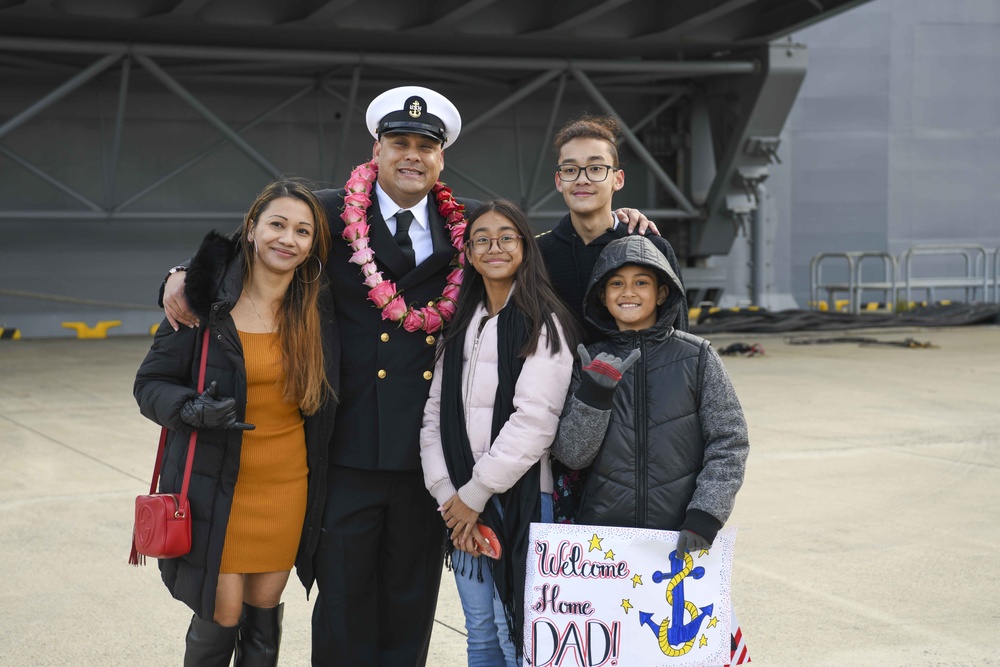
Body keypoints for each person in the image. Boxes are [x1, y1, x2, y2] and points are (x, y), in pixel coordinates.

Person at [158, 86, 662, 667]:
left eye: (426, 145)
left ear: (441, 157)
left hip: (430, 460)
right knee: (343, 604)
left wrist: (614, 224)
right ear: (377, 149)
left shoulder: (471, 225)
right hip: (346, 448)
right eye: (399, 142)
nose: (412, 155)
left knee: (409, 603)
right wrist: (177, 276)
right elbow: (258, 244)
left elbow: (541, 263)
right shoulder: (324, 213)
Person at [134, 178, 339, 666]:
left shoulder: (318, 306)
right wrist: (191, 410)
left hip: (287, 487)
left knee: (264, 613)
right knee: (219, 614)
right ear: (250, 229)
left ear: (313, 246)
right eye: (277, 224)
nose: (287, 239)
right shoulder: (203, 300)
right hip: (216, 486)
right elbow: (150, 383)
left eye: (303, 231)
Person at [419, 199, 578, 666]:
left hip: (522, 500)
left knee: (518, 636)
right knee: (481, 635)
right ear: (467, 252)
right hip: (460, 506)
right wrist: (450, 498)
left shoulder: (544, 323)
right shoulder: (460, 323)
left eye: (507, 237)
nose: (495, 247)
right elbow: (432, 417)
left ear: (526, 248)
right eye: (482, 239)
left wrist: (477, 494)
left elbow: (535, 422)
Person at [552, 234, 748, 557]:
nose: (628, 292)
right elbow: (572, 456)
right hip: (604, 545)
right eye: (616, 284)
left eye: (641, 282)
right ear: (602, 295)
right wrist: (594, 397)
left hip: (681, 536)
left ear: (661, 293)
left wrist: (705, 515)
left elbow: (730, 440)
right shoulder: (589, 361)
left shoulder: (697, 357)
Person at [538, 114, 689, 342]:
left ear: (617, 179)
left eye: (596, 168)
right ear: (559, 181)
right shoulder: (539, 252)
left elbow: (679, 337)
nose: (582, 179)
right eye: (570, 170)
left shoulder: (652, 247)